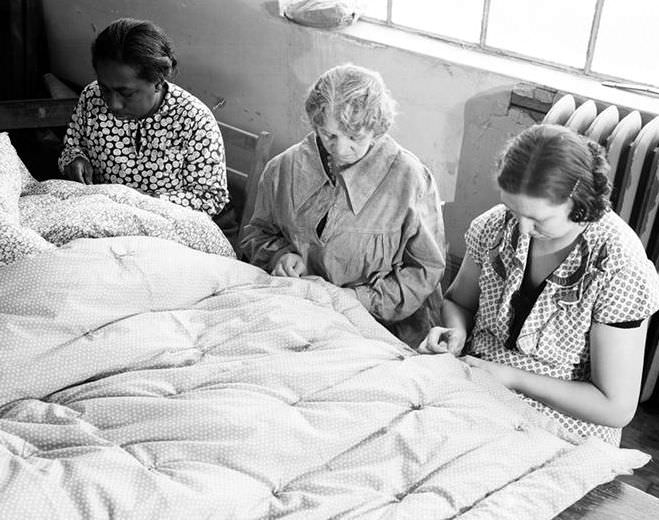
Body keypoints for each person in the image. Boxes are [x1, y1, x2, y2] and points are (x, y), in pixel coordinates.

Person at [420, 124, 659, 445]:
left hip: (563, 421)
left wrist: (513, 379)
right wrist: (456, 332)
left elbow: (615, 407)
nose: (521, 228)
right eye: (512, 209)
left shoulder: (617, 264)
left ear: (580, 201)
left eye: (539, 219)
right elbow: (458, 302)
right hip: (478, 384)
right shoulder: (494, 226)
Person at [240, 64, 446, 344]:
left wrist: (356, 299)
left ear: (377, 130)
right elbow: (256, 233)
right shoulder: (284, 168)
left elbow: (425, 270)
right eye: (329, 135)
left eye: (355, 138)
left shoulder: (410, 179)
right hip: (297, 314)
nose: (339, 149)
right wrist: (280, 256)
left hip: (377, 328)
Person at [58, 18, 228, 217]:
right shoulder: (92, 97)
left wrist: (143, 202)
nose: (113, 104)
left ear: (157, 82)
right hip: (102, 213)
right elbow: (72, 146)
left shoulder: (194, 121)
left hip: (163, 224)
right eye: (105, 89)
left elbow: (211, 198)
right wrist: (75, 159)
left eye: (126, 93)